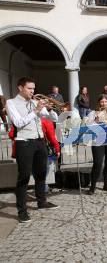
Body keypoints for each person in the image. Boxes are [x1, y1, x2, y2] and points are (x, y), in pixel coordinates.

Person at [5, 77, 59, 223]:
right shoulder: (11, 103)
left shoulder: (34, 102)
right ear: (20, 88)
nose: (32, 91)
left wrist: (49, 109)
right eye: (29, 88)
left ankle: (42, 202)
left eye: (33, 89)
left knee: (41, 174)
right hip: (24, 142)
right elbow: (18, 122)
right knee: (24, 177)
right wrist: (35, 110)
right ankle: (22, 211)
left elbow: (51, 119)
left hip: (39, 141)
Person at [9, 117, 61, 193]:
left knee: (25, 173)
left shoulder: (21, 121)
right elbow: (52, 138)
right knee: (42, 172)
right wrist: (57, 149)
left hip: (23, 150)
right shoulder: (45, 121)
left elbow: (11, 134)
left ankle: (23, 193)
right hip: (40, 149)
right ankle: (42, 191)